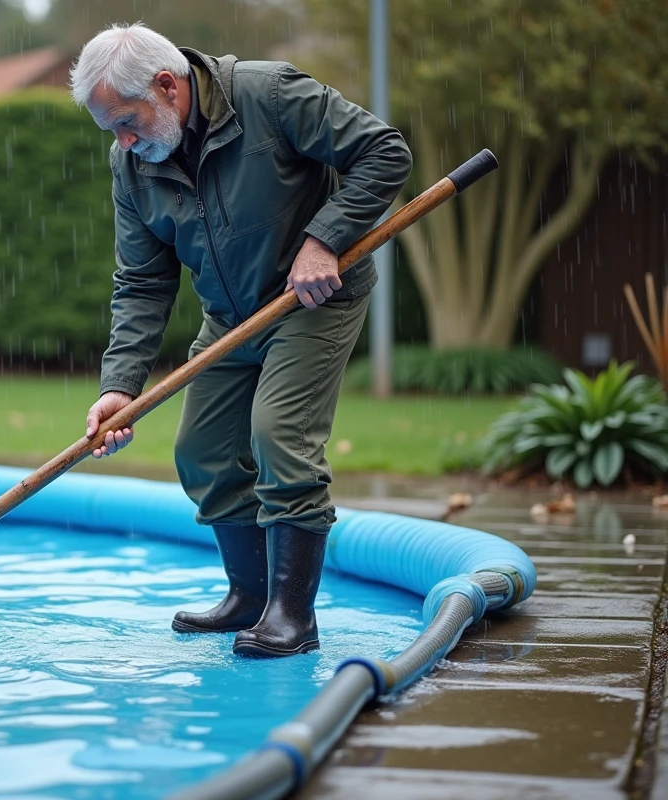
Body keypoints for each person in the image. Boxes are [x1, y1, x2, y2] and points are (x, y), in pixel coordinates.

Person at [68, 23, 412, 658]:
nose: (121, 142)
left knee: (280, 433)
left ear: (167, 86)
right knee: (203, 451)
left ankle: (292, 617)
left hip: (312, 298)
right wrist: (120, 388)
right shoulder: (132, 164)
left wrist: (325, 238)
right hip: (230, 317)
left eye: (126, 121)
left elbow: (385, 152)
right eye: (110, 130)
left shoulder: (269, 94)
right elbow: (143, 282)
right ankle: (249, 597)